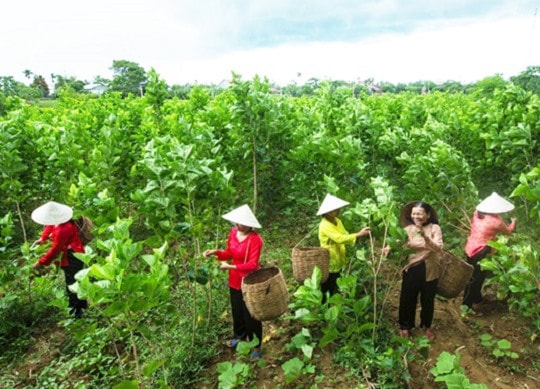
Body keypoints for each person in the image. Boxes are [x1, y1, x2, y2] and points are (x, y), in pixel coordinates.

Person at [203, 204, 264, 360]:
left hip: (248, 280)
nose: (237, 226)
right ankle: (239, 335)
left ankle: (256, 344)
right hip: (234, 279)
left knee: (251, 313)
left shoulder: (255, 239)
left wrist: (231, 266)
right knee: (237, 310)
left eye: (241, 223)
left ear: (250, 224)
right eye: (236, 223)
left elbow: (252, 264)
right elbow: (229, 252)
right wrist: (215, 252)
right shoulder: (233, 233)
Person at [462, 192, 516, 316]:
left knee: (472, 275)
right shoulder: (496, 221)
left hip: (470, 247)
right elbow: (508, 231)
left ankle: (476, 298)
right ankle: (467, 306)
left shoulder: (477, 214)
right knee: (477, 278)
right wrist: (514, 221)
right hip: (481, 250)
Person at [31, 201, 88, 318]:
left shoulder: (64, 228)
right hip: (69, 254)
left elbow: (55, 250)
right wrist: (42, 239)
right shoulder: (58, 222)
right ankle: (82, 307)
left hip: (73, 256)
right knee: (73, 281)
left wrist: (41, 262)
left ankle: (77, 313)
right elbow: (49, 226)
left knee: (72, 284)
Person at [397, 202, 443, 340]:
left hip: (430, 268)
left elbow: (438, 248)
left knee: (427, 299)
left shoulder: (435, 228)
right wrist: (389, 247)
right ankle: (405, 326)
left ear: (427, 215)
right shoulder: (408, 229)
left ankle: (426, 326)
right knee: (407, 298)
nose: (416, 216)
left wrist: (424, 236)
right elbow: (398, 241)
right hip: (412, 267)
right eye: (414, 213)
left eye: (419, 213)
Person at [317, 194, 371, 298]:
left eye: (338, 208)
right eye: (335, 209)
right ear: (327, 211)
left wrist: (358, 236)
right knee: (327, 288)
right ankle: (324, 309)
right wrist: (358, 234)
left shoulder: (338, 221)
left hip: (340, 259)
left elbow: (345, 235)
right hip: (329, 261)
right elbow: (339, 238)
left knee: (336, 286)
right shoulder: (324, 225)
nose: (338, 210)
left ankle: (334, 308)